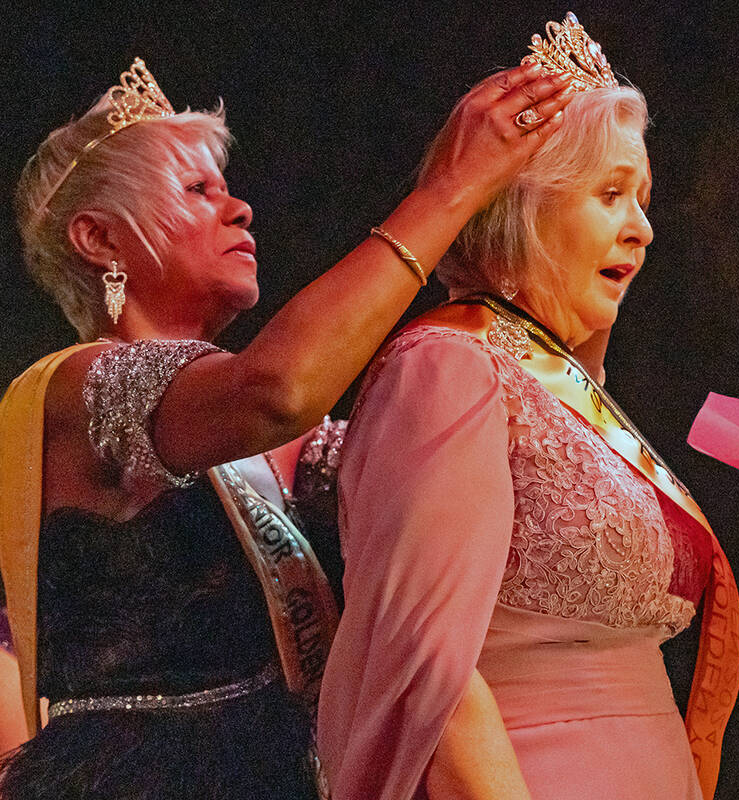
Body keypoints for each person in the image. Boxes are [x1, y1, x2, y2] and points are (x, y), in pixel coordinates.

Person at [0, 55, 574, 800]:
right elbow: (275, 390)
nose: (238, 210)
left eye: (229, 190)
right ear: (99, 239)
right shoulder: (76, 393)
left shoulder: (281, 430)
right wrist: (452, 189)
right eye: (198, 190)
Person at [316, 13, 739, 800]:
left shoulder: (549, 380)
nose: (642, 229)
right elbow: (431, 676)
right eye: (611, 194)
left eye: (642, 200)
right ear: (523, 208)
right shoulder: (446, 366)